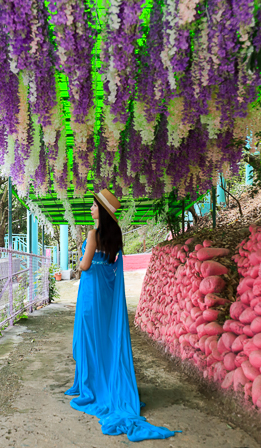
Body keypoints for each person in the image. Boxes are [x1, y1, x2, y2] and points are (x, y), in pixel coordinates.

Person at [65, 188, 181, 442]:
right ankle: (104, 380)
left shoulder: (93, 234)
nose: (92, 209)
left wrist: (78, 261)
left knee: (87, 338)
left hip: (91, 293)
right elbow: (109, 264)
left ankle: (92, 385)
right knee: (104, 338)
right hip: (106, 294)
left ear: (103, 211)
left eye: (95, 206)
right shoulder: (115, 235)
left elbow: (85, 266)